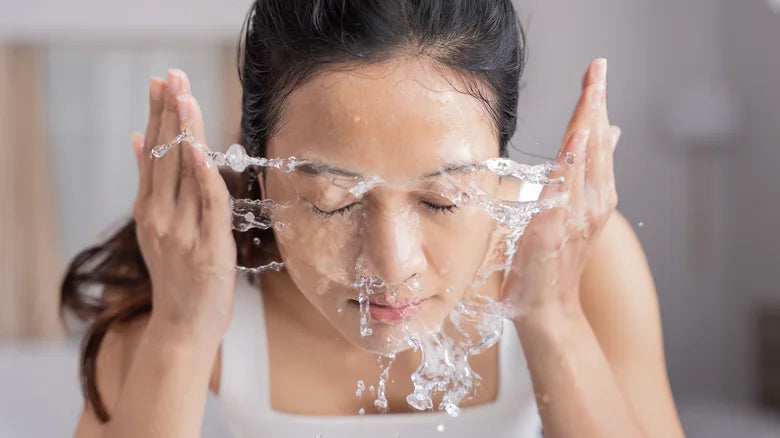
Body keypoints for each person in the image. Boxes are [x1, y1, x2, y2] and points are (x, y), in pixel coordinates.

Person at [61, 1, 685, 437]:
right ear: (263, 168)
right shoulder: (188, 272)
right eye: (334, 201)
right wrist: (181, 326)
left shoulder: (582, 258)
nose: (391, 266)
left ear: (499, 164)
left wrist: (551, 316)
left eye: (443, 201)